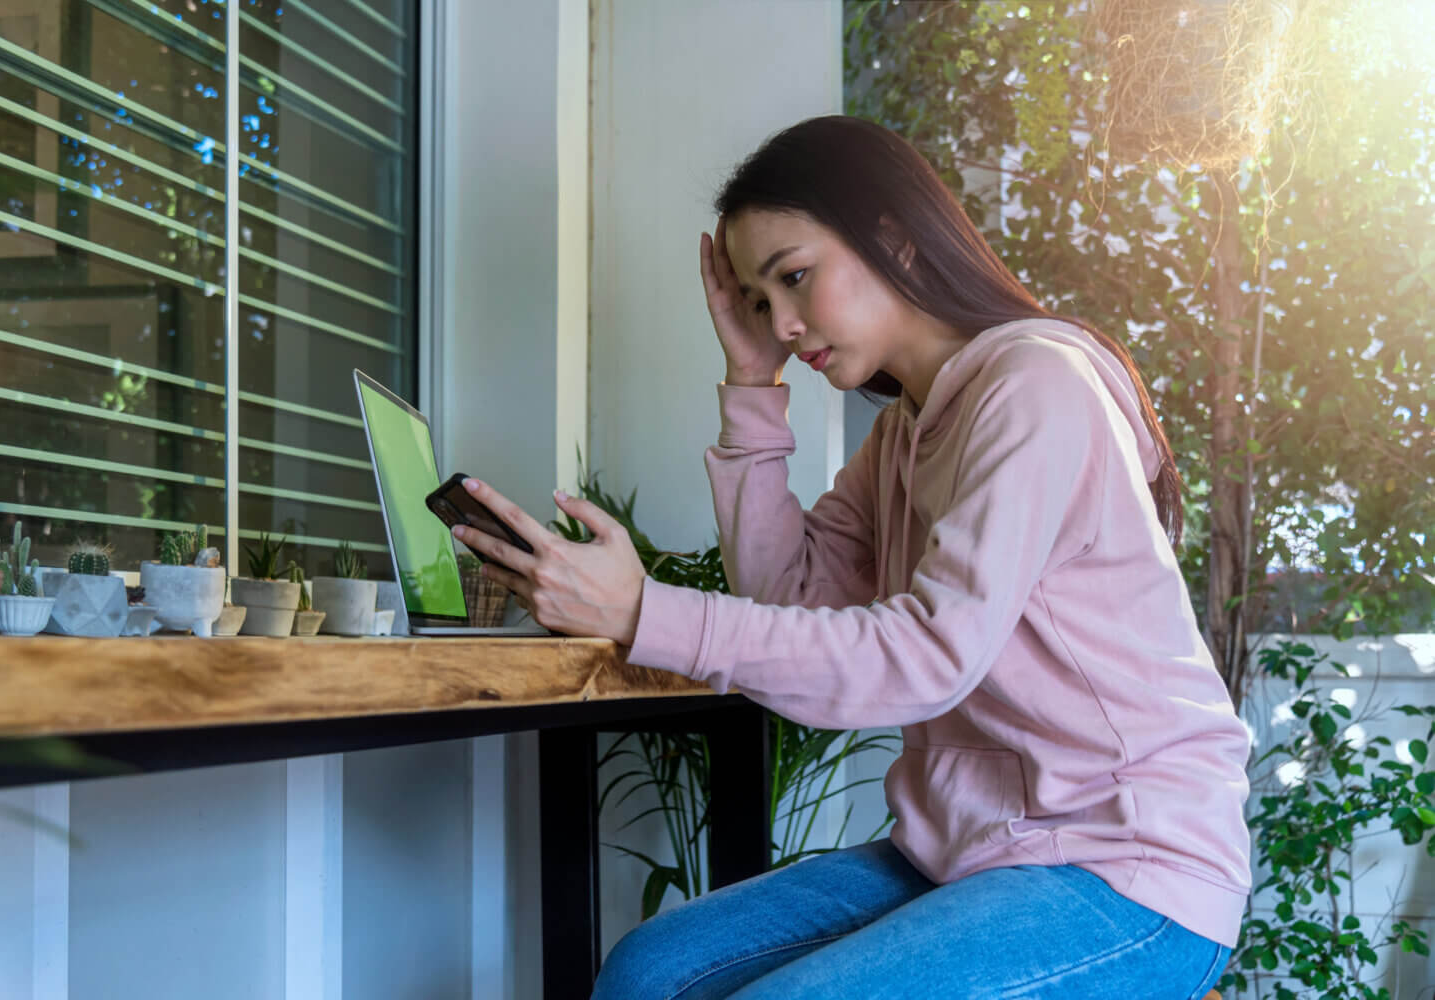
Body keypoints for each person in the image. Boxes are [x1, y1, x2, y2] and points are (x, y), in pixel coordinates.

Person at [451, 115, 1250, 999]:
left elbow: (926, 658)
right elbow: (794, 597)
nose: (784, 323)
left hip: (1127, 866)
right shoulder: (906, 429)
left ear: (894, 238)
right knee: (653, 972)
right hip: (973, 851)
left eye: (794, 278)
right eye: (759, 301)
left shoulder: (1036, 387)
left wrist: (647, 613)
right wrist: (753, 384)